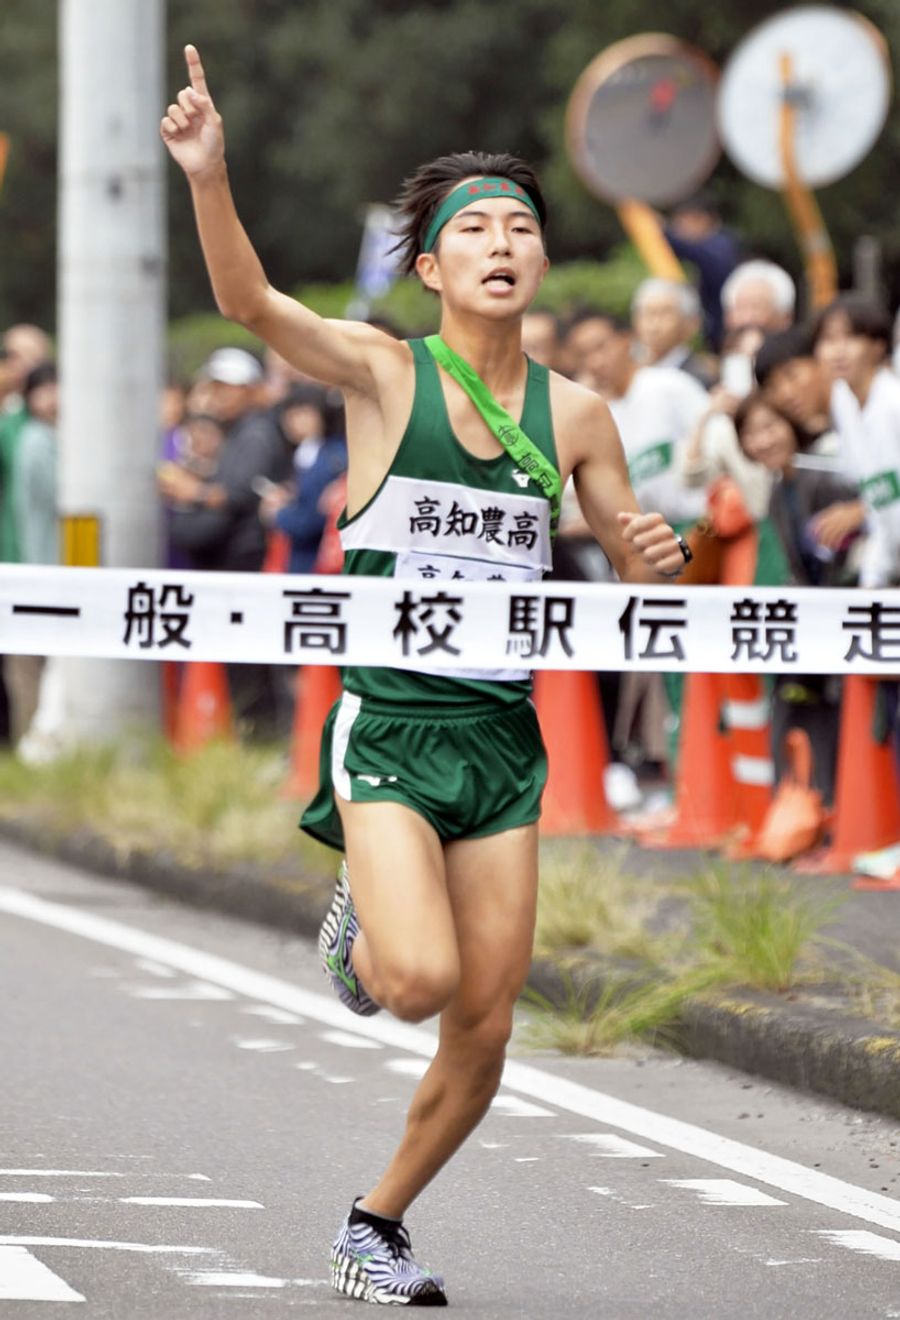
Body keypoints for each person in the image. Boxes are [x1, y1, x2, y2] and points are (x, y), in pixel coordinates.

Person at [161, 45, 690, 1308]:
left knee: (489, 1018)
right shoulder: (385, 372)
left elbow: (633, 550)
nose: (503, 243)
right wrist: (210, 176)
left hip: (501, 740)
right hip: (391, 725)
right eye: (477, 229)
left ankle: (374, 1224)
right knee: (414, 983)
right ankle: (359, 922)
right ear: (435, 266)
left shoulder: (578, 416)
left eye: (522, 226)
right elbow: (250, 307)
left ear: (541, 263)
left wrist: (654, 556)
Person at [663, 193, 741, 352]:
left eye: (682, 224)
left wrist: (661, 230)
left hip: (728, 336)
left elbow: (690, 250)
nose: (680, 231)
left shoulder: (721, 246)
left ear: (702, 219)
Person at [630, 277, 716, 389]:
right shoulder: (628, 374)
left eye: (664, 314)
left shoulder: (700, 377)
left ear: (691, 323)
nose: (653, 325)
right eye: (647, 313)